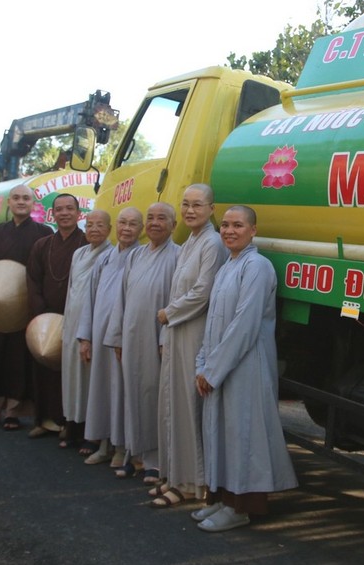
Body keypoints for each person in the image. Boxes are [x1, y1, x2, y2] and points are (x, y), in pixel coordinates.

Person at [192, 205, 297, 532]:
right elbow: (212, 323)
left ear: (253, 230)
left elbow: (245, 325)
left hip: (246, 366)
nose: (229, 230)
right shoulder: (228, 266)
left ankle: (241, 507)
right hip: (221, 365)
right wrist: (202, 363)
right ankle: (223, 499)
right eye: (224, 225)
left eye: (238, 225)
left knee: (242, 435)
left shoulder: (257, 266)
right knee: (223, 433)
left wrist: (213, 370)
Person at [154, 184, 227, 505]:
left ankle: (193, 484)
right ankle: (175, 475)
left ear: (212, 209)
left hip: (194, 329)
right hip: (175, 329)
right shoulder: (189, 243)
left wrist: (168, 313)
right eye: (185, 204)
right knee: (173, 402)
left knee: (188, 405)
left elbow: (203, 291)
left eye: (197, 205)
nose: (190, 210)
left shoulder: (212, 243)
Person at [105, 203, 179, 486]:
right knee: (130, 393)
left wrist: (165, 338)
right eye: (151, 218)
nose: (155, 223)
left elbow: (175, 302)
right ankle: (132, 453)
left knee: (153, 396)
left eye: (163, 218)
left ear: (173, 225)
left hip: (155, 337)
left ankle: (154, 460)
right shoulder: (136, 255)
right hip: (131, 337)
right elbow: (121, 299)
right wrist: (117, 337)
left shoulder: (178, 256)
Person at [0, 184, 52, 431]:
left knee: (19, 360)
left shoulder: (43, 233)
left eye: (25, 198)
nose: (21, 202)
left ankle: (13, 411)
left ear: (33, 204)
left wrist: (38, 304)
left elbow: (44, 272)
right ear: (9, 202)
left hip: (26, 306)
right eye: (16, 198)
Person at [78, 207, 143, 466]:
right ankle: (103, 444)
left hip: (124, 339)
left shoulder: (141, 257)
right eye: (123, 223)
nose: (127, 229)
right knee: (102, 391)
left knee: (122, 392)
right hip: (99, 334)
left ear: (142, 230)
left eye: (133, 224)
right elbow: (89, 299)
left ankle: (122, 448)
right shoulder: (105, 258)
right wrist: (85, 337)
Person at [26, 193, 87, 438]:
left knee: (71, 373)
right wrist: (40, 313)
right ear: (52, 215)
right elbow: (32, 279)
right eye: (59, 209)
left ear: (78, 213)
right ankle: (44, 419)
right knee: (44, 367)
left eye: (69, 209)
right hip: (46, 318)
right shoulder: (42, 245)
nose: (64, 213)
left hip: (75, 320)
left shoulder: (86, 244)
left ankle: (68, 423)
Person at [61, 209, 112, 453]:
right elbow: (72, 291)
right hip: (72, 322)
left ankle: (90, 432)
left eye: (99, 225)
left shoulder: (112, 255)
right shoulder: (79, 254)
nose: (93, 229)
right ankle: (71, 423)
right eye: (89, 224)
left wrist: (88, 333)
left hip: (93, 325)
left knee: (91, 380)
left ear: (109, 229)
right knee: (71, 376)